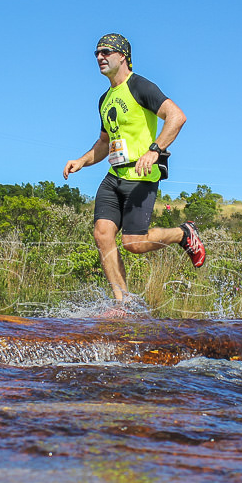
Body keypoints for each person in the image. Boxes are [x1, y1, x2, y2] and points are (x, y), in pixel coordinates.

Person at [63, 33, 205, 305]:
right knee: (102, 233)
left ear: (123, 56)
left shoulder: (140, 86)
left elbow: (177, 117)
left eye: (106, 52)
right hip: (114, 177)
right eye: (96, 53)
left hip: (140, 178)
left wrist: (155, 150)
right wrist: (82, 161)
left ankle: (183, 233)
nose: (99, 58)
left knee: (133, 243)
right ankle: (122, 303)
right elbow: (105, 142)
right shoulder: (104, 99)